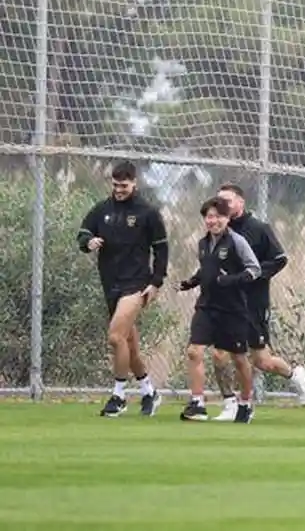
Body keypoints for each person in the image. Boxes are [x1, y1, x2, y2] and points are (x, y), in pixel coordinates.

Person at [207, 183, 305, 421]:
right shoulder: (216, 230)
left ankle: (294, 374)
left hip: (253, 302)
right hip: (226, 303)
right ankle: (232, 404)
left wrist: (252, 275)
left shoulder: (258, 229)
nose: (223, 206)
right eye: (219, 201)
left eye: (228, 201)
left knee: (261, 361)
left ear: (241, 202)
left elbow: (279, 259)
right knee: (221, 354)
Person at [77, 160, 167, 418]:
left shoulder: (147, 212)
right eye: (115, 185)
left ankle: (118, 395)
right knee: (129, 347)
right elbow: (83, 233)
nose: (119, 190)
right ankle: (149, 391)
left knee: (115, 337)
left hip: (136, 284)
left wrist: (156, 282)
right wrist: (89, 242)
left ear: (134, 183)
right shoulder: (102, 210)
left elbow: (161, 249)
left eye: (124, 185)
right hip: (111, 283)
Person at [177, 197, 261, 422]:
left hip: (232, 309)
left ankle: (245, 403)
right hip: (206, 306)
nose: (213, 221)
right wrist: (191, 282)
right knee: (194, 351)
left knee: (239, 358)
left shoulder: (237, 241)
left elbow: (254, 270)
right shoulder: (203, 244)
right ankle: (197, 403)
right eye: (209, 217)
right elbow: (206, 270)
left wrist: (231, 280)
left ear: (227, 218)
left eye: (218, 217)